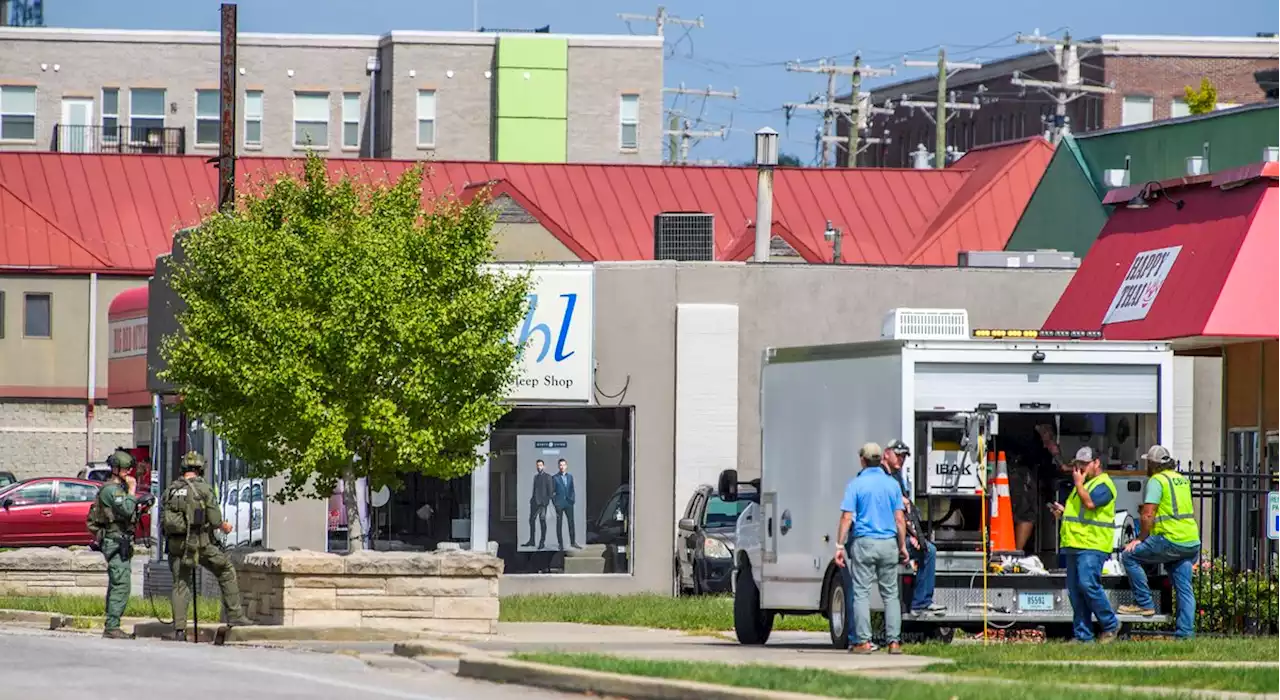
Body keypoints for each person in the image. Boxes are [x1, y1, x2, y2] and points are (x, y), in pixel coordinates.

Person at [163, 451, 254, 641]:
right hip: (199, 544)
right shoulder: (203, 489)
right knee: (226, 570)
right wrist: (224, 526)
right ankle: (235, 616)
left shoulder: (171, 489)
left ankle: (179, 630)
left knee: (181, 584)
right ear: (200, 469)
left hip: (175, 544)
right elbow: (214, 519)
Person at [1119, 445, 1200, 638]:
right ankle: (1185, 635)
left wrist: (1140, 539)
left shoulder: (1156, 481)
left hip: (1169, 539)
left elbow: (1148, 514)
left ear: (1153, 464)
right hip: (1190, 541)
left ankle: (1144, 603)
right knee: (1184, 589)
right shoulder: (1182, 479)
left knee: (1129, 556)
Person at [834, 443, 908, 655]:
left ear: (862, 460)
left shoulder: (856, 484)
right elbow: (900, 519)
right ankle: (894, 642)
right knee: (891, 595)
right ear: (880, 460)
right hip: (888, 544)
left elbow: (847, 517)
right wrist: (902, 546)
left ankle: (863, 642)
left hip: (864, 543)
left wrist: (839, 545)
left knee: (861, 593)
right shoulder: (892, 485)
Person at [1049, 446, 1119, 643]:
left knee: (1088, 584)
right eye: (1077, 465)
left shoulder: (1104, 485)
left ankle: (1111, 624)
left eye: (1084, 465)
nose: (1080, 469)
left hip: (1092, 545)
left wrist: (1078, 484)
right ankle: (1083, 636)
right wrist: (1063, 512)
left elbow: (1090, 504)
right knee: (1075, 591)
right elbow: (1081, 513)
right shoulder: (1083, 486)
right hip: (1074, 544)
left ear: (1097, 463)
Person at [87, 448, 150, 640]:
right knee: (121, 583)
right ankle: (112, 626)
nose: (129, 474)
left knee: (118, 582)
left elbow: (128, 512)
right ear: (117, 470)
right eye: (126, 470)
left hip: (120, 540)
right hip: (115, 542)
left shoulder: (117, 490)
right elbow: (126, 507)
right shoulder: (111, 490)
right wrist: (132, 491)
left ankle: (112, 624)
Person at [883, 440, 944, 616]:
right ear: (886, 453)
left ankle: (921, 602)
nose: (901, 459)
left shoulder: (897, 477)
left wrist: (916, 537)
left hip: (899, 536)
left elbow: (907, 514)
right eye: (898, 455)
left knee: (928, 550)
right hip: (887, 538)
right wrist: (907, 540)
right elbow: (898, 516)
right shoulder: (883, 478)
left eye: (903, 456)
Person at [1008, 423, 1070, 554]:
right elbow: (1047, 438)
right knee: (1026, 514)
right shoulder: (1039, 413)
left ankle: (1009, 553)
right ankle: (1015, 555)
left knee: (1009, 511)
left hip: (1004, 464)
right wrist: (1062, 464)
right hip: (1021, 469)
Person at [523, 459, 554, 549]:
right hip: (534, 502)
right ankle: (532, 540)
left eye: (540, 465)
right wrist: (532, 499)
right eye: (537, 465)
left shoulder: (548, 477)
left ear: (544, 466)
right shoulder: (536, 477)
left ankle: (542, 542)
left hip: (542, 503)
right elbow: (534, 489)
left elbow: (550, 491)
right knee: (531, 521)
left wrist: (546, 502)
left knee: (542, 521)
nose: (539, 467)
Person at [552, 458, 579, 550]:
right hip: (559, 503)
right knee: (559, 524)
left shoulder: (570, 477)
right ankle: (560, 544)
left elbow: (572, 489)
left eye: (563, 465)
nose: (562, 467)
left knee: (571, 522)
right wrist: (555, 503)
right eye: (560, 465)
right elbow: (552, 492)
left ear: (566, 466)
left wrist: (572, 500)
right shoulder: (555, 477)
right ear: (558, 466)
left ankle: (573, 542)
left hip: (568, 503)